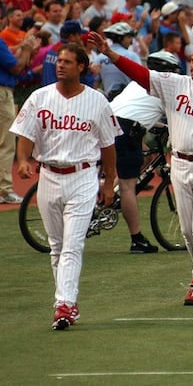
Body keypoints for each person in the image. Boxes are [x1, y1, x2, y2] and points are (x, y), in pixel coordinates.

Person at [90, 35, 193, 305]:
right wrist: (111, 54)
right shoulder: (175, 84)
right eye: (192, 61)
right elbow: (140, 73)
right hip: (180, 164)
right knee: (186, 230)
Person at [11, 43, 120, 330]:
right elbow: (25, 133)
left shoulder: (97, 101)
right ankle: (67, 302)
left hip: (83, 176)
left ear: (81, 67)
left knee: (72, 244)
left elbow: (108, 147)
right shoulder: (40, 97)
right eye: (59, 60)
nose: (60, 65)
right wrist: (23, 160)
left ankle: (63, 304)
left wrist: (109, 182)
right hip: (48, 175)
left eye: (68, 61)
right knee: (57, 246)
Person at [109, 51, 181, 253]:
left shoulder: (137, 83)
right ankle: (137, 239)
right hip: (126, 128)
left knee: (140, 157)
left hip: (112, 120)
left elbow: (140, 111)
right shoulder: (164, 90)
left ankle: (105, 199)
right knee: (127, 186)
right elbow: (176, 121)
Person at [1, 35, 38, 204]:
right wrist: (27, 50)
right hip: (2, 92)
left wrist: (22, 49)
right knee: (6, 142)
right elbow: (16, 67)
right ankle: (4, 190)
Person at [94, 22, 143, 100]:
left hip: (108, 100)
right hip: (129, 100)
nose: (131, 42)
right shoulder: (132, 56)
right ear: (121, 38)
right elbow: (141, 79)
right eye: (129, 37)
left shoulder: (99, 58)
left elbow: (95, 84)